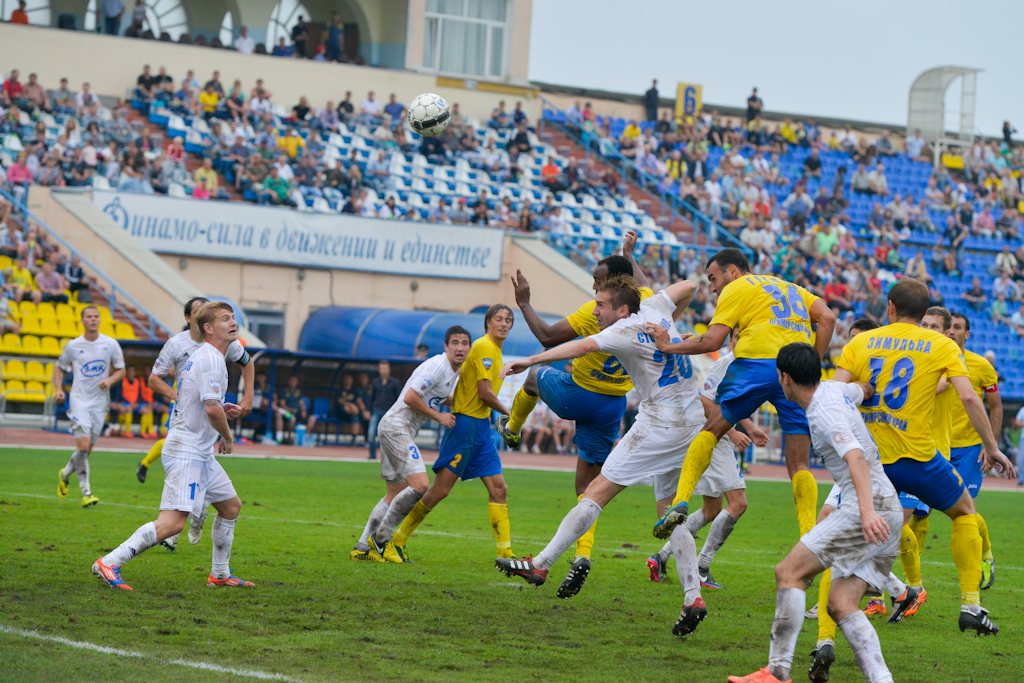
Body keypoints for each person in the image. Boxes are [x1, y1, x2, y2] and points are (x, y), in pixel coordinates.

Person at [497, 276, 712, 639]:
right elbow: (691, 284)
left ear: (622, 309)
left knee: (596, 491)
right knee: (668, 513)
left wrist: (531, 360)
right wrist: (673, 319)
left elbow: (579, 348)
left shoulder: (624, 328)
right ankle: (693, 598)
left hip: (660, 422)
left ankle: (541, 564)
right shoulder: (656, 306)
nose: (595, 310)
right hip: (692, 421)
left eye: (601, 304)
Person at [834, 279, 1015, 635]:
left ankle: (832, 629)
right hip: (916, 457)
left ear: (889, 307)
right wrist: (992, 447)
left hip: (868, 460)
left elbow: (838, 396)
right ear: (925, 312)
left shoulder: (861, 341)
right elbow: (968, 397)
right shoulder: (940, 346)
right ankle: (969, 605)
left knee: (845, 534)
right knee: (963, 512)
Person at [726, 343, 901, 683]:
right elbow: (859, 390)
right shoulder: (834, 389)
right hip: (888, 508)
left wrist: (865, 512)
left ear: (784, 378)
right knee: (841, 604)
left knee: (789, 572)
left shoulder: (823, 411)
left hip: (869, 507)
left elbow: (856, 459)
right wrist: (868, 388)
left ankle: (776, 673)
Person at [496, 233, 651, 597]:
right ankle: (582, 555)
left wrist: (525, 303)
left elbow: (548, 337)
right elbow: (648, 288)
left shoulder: (595, 310)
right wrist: (630, 255)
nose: (593, 286)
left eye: (598, 280)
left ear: (615, 284)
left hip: (578, 395)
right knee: (589, 488)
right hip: (613, 405)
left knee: (533, 377)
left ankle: (513, 429)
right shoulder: (644, 305)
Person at [650, 248, 835, 545]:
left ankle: (680, 501)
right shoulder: (791, 287)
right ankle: (808, 535)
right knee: (800, 463)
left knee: (712, 429)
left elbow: (712, 340)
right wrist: (812, 363)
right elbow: (827, 318)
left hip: (755, 365)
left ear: (733, 271)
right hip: (796, 370)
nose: (712, 287)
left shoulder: (737, 287)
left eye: (713, 278)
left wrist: (666, 347)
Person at [92, 302, 255, 591]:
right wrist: (228, 438)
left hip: (198, 451)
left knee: (230, 507)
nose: (233, 323)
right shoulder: (211, 359)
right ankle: (110, 561)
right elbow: (211, 410)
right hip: (186, 450)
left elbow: (209, 404)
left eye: (233, 318)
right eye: (226, 319)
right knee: (172, 523)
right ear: (208, 328)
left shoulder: (211, 355)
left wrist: (221, 409)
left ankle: (219, 574)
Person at [386, 305, 515, 560]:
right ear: (488, 323)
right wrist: (510, 414)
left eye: (508, 320)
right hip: (465, 426)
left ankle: (506, 554)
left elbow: (469, 394)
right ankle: (397, 539)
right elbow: (485, 393)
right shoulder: (484, 347)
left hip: (481, 428)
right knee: (440, 491)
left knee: (499, 489)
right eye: (498, 319)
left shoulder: (495, 350)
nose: (504, 323)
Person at [646, 328, 767, 589]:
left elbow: (731, 403)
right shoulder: (725, 364)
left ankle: (661, 556)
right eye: (742, 336)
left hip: (719, 435)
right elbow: (705, 400)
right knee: (738, 503)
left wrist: (750, 427)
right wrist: (734, 433)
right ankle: (702, 565)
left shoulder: (746, 364)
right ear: (733, 339)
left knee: (712, 509)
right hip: (716, 438)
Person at [352, 326, 471, 563]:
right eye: (455, 342)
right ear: (446, 346)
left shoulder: (452, 372)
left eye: (465, 343)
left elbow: (438, 395)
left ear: (469, 348)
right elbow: (410, 397)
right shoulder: (438, 366)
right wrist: (439, 416)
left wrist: (465, 403)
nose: (460, 347)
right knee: (420, 485)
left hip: (392, 427)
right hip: (397, 427)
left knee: (393, 494)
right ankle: (382, 540)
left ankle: (361, 548)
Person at [136, 296, 254, 513]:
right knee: (183, 450)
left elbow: (247, 362)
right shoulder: (176, 343)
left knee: (204, 453)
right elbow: (154, 379)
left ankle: (196, 508)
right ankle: (182, 512)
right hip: (187, 405)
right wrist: (177, 395)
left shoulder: (226, 342)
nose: (204, 313)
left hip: (211, 402)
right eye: (199, 311)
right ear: (189, 318)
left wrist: (248, 395)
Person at [947, 313, 1001, 589]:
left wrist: (990, 445)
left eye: (957, 327)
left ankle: (985, 554)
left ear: (967, 334)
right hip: (934, 447)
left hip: (968, 449)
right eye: (949, 326)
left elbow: (996, 407)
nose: (952, 331)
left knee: (965, 511)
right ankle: (911, 584)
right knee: (916, 514)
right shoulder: (933, 360)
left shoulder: (981, 366)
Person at [54, 306, 126, 508]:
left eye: (96, 316)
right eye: (89, 317)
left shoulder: (110, 344)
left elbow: (121, 370)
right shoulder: (73, 346)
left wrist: (110, 380)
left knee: (87, 450)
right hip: (79, 401)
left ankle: (65, 472)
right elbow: (58, 367)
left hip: (100, 403)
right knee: (83, 447)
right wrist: (59, 389)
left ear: (100, 320)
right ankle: (86, 492)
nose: (93, 319)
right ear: (82, 321)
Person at [366, 360, 402, 461]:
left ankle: (389, 457)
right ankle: (372, 455)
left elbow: (398, 398)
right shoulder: (375, 382)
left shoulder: (395, 382)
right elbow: (371, 397)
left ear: (389, 370)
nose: (383, 371)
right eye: (381, 369)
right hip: (377, 409)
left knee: (389, 435)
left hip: (389, 411)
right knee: (371, 433)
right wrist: (368, 410)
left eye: (385, 368)